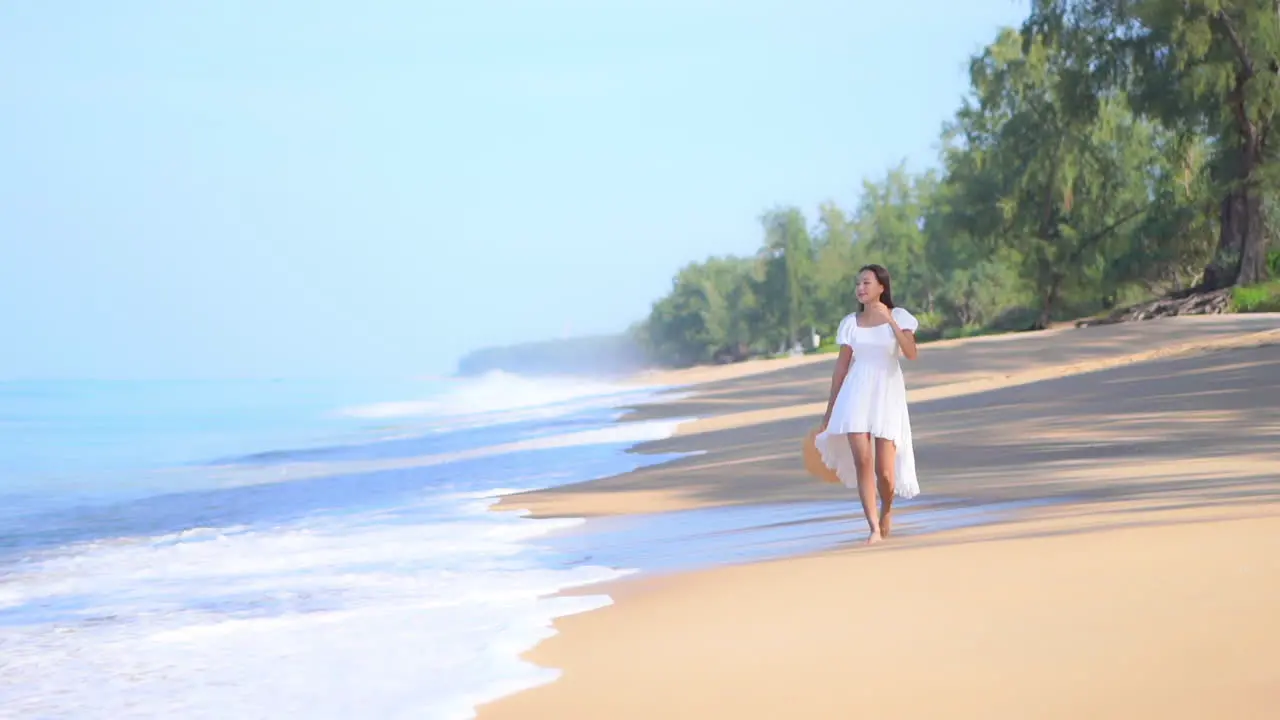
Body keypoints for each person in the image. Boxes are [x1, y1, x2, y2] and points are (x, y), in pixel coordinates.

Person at [815, 264, 920, 545]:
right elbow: (841, 368)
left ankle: (887, 507)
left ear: (881, 287)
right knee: (863, 460)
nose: (861, 288)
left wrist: (891, 322)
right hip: (856, 392)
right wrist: (830, 410)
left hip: (887, 392)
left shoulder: (900, 316)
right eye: (858, 284)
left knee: (884, 472)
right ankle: (873, 528)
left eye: (866, 283)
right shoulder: (851, 322)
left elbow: (911, 354)